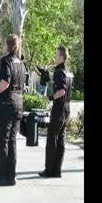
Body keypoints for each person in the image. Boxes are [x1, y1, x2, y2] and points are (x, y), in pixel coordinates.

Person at [0, 35, 26, 186]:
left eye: (4, 44)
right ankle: (12, 175)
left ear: (9, 46)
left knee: (2, 140)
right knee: (12, 141)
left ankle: (2, 176)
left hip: (6, 103)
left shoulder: (6, 61)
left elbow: (5, 82)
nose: (2, 46)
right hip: (18, 102)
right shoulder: (21, 63)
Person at [39, 46, 74, 178]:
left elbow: (61, 91)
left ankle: (49, 170)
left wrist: (51, 97)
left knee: (52, 138)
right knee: (61, 139)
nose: (54, 57)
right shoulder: (69, 72)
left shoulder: (60, 72)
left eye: (56, 55)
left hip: (59, 108)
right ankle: (57, 170)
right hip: (67, 108)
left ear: (61, 57)